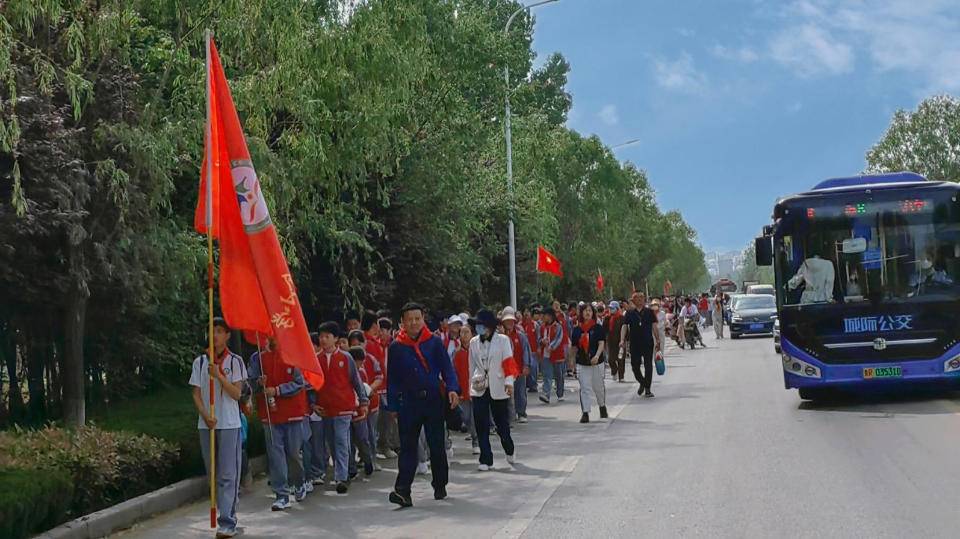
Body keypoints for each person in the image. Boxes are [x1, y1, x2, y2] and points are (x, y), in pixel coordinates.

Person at [386, 302, 461, 508]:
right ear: (402, 322)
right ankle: (402, 492)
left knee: (436, 445)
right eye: (409, 319)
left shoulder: (434, 342)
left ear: (423, 319)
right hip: (408, 404)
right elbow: (392, 379)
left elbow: (448, 369)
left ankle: (440, 484)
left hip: (433, 401)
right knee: (408, 448)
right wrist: (392, 405)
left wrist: (453, 389)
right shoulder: (396, 347)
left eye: (417, 318)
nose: (413, 323)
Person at [189, 317, 246, 538]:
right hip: (207, 425)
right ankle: (226, 507)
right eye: (212, 331)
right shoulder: (200, 362)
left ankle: (227, 521)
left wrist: (220, 377)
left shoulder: (235, 362)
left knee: (227, 474)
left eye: (220, 331)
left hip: (229, 424)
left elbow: (237, 394)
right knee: (213, 472)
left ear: (228, 335)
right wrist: (205, 415)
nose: (215, 335)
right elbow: (195, 393)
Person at [248, 336, 309, 509]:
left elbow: (300, 382)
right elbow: (251, 382)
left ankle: (299, 482)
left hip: (293, 413)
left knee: (293, 454)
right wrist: (258, 383)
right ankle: (281, 494)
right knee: (275, 455)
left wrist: (277, 390)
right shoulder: (257, 358)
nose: (270, 339)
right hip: (270, 414)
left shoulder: (292, 355)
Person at [315, 322, 368, 495]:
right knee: (332, 443)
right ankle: (344, 469)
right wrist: (313, 404)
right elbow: (311, 386)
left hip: (344, 407)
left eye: (327, 336)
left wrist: (363, 401)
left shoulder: (346, 358)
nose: (323, 340)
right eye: (321, 336)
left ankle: (341, 477)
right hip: (325, 409)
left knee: (340, 440)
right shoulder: (317, 360)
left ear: (336, 339)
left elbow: (356, 382)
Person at [469, 309, 519, 470]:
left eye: (481, 325)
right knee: (481, 424)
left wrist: (509, 381)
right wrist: (471, 386)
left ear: (489, 326)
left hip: (498, 385)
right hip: (479, 387)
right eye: (477, 326)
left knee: (501, 424)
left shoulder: (503, 341)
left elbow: (509, 362)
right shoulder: (473, 342)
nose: (479, 329)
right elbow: (472, 366)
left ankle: (509, 448)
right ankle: (485, 459)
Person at [363, 311, 397, 460]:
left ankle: (384, 445)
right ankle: (374, 449)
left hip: (384, 385)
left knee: (386, 418)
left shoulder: (380, 343)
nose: (380, 329)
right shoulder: (367, 343)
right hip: (373, 387)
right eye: (378, 325)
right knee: (374, 421)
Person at [571, 303, 607, 423]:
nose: (587, 313)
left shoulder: (598, 328)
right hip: (582, 363)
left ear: (593, 313)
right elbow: (574, 348)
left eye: (590, 311)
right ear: (581, 313)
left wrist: (597, 355)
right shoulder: (576, 330)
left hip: (597, 363)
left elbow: (601, 343)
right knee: (585, 388)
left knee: (598, 387)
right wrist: (571, 363)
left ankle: (602, 406)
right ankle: (585, 412)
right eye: (585, 311)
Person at [621, 292, 660, 398]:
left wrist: (658, 339)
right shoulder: (629, 313)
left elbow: (654, 326)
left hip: (647, 342)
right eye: (637, 298)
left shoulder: (649, 312)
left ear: (644, 300)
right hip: (634, 343)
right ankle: (642, 382)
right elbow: (624, 326)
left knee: (648, 365)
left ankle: (648, 389)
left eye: (641, 298)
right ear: (633, 300)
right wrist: (622, 340)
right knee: (635, 366)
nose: (639, 299)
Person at [500, 306, 532, 423]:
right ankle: (508, 415)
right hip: (504, 370)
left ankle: (521, 412)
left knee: (520, 392)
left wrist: (526, 365)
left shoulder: (520, 335)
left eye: (511, 320)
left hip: (518, 369)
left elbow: (525, 351)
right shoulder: (498, 337)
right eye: (506, 320)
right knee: (505, 393)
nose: (509, 323)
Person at [347, 346, 376, 481]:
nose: (361, 364)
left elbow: (365, 390)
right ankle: (351, 466)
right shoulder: (346, 371)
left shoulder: (362, 373)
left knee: (363, 439)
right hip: (348, 411)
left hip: (359, 413)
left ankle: (367, 460)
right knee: (349, 442)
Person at [453, 322, 479, 455]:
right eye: (461, 333)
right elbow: (453, 372)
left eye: (466, 332)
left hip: (477, 389)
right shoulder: (456, 353)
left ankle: (476, 441)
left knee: (475, 418)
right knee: (466, 417)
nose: (463, 335)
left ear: (472, 334)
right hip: (463, 391)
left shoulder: (477, 350)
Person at [538, 308, 566, 403]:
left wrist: (552, 346)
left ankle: (560, 393)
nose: (543, 317)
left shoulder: (558, 327)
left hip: (557, 355)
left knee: (559, 376)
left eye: (544, 315)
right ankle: (546, 394)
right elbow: (539, 339)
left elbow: (559, 338)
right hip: (546, 355)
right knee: (547, 375)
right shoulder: (542, 327)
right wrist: (542, 341)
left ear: (550, 316)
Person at [522, 306, 542, 393]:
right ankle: (526, 385)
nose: (526, 314)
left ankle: (533, 385)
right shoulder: (520, 325)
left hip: (533, 351)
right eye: (525, 312)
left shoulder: (535, 324)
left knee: (533, 368)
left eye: (528, 312)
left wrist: (538, 347)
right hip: (523, 352)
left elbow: (538, 337)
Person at [606, 301, 626, 382]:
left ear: (617, 309)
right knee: (611, 359)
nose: (610, 310)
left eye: (612, 308)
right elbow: (604, 330)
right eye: (609, 308)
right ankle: (614, 372)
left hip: (620, 342)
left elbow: (625, 329)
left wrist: (623, 340)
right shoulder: (607, 318)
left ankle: (621, 376)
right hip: (611, 342)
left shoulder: (622, 318)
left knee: (621, 359)